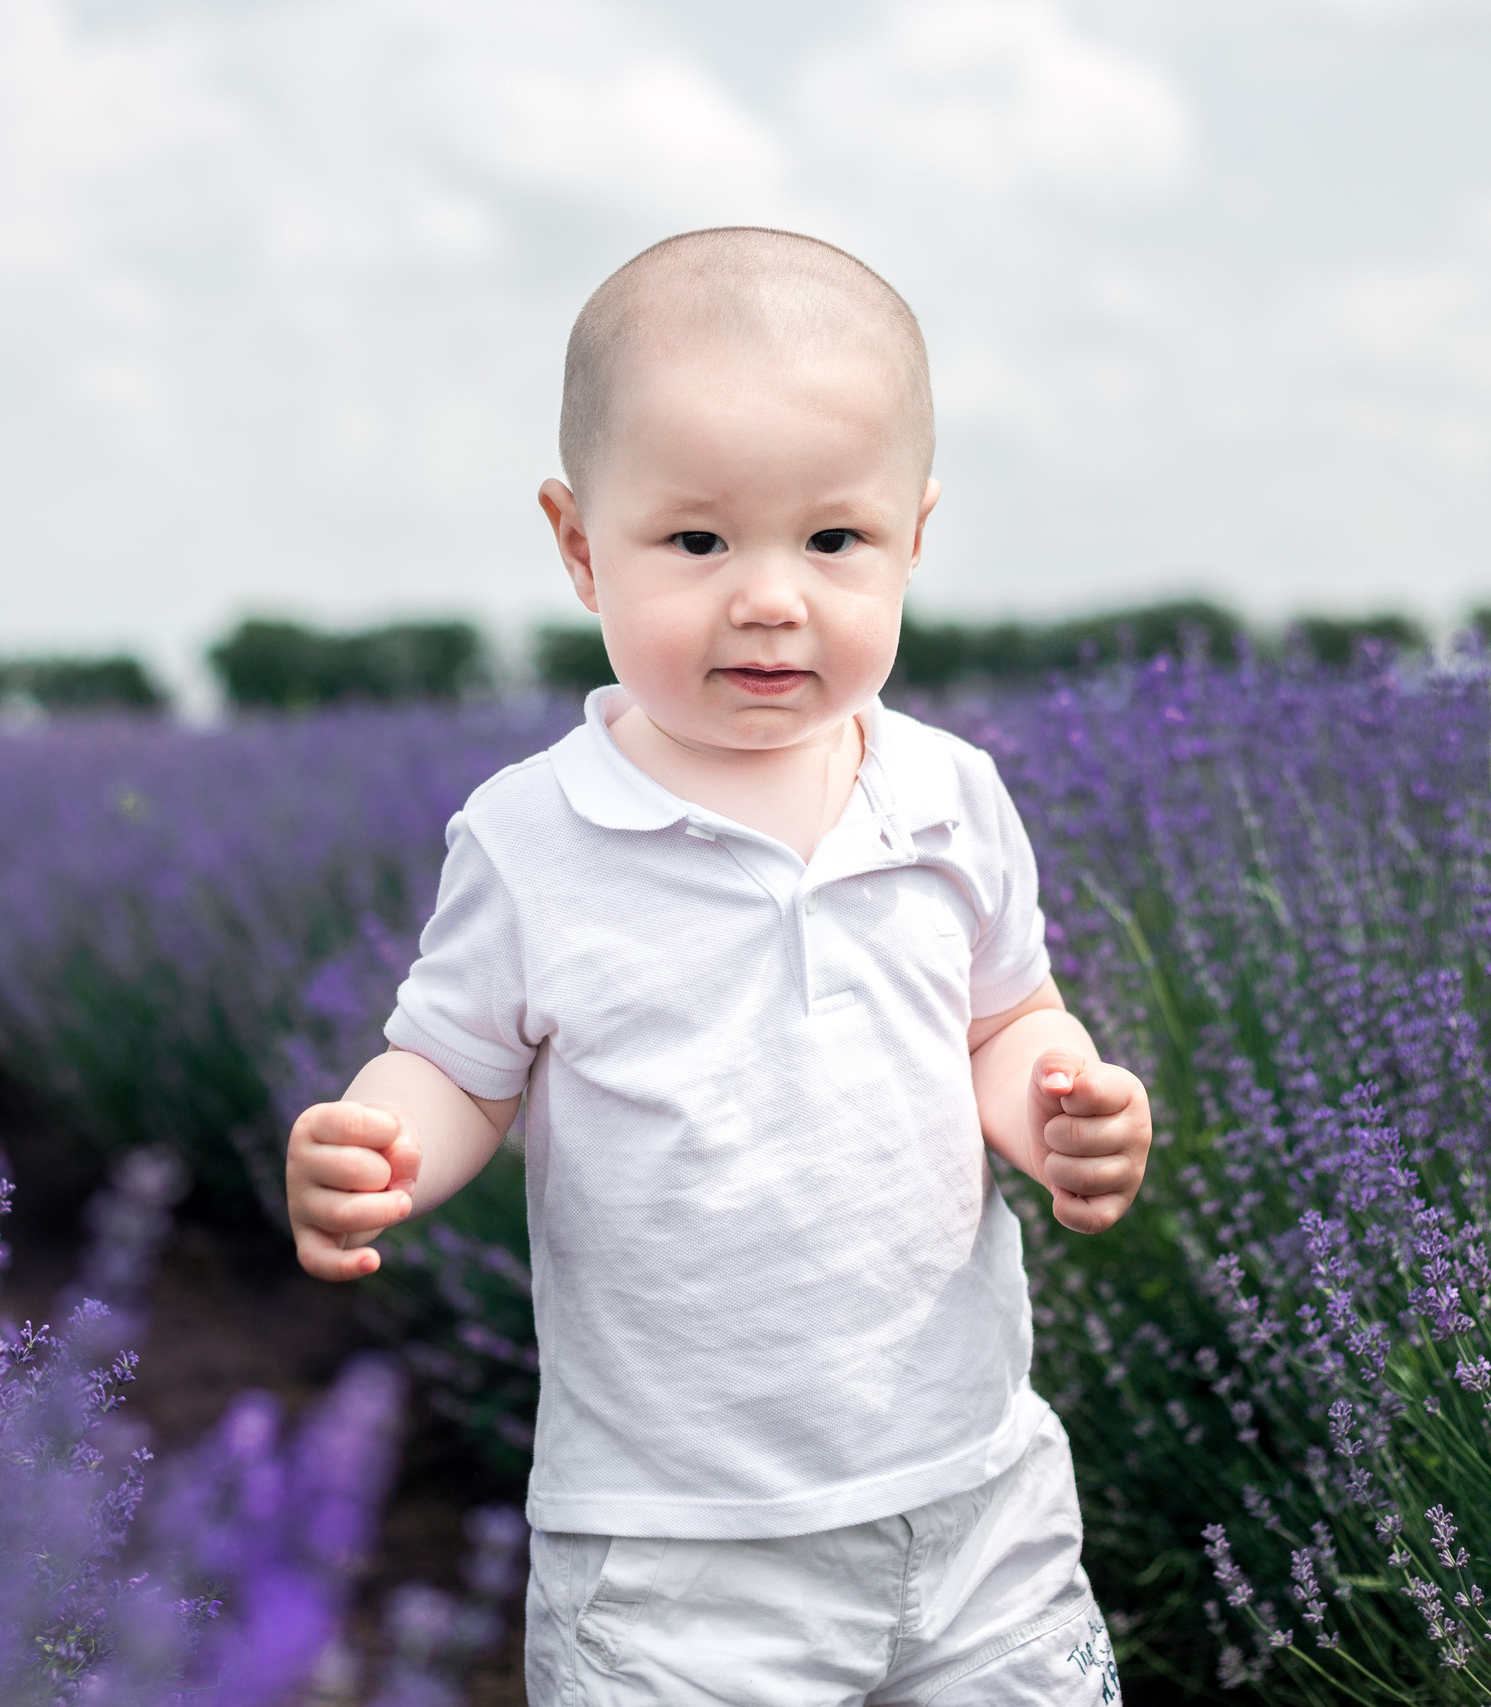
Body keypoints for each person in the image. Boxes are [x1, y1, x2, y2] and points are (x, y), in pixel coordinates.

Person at [285, 227, 1150, 1705]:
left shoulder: (950, 797)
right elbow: (455, 1065)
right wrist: (383, 1144)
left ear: (914, 537)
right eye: (696, 542)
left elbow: (1005, 1014)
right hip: (680, 1556)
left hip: (973, 1495)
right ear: (578, 545)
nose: (769, 596)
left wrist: (1057, 1103)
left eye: (833, 540)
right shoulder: (536, 836)